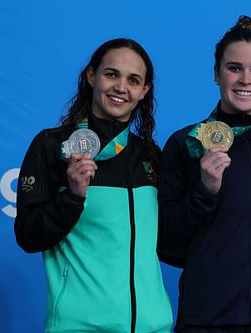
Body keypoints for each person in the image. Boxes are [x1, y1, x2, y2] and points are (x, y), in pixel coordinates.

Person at [14, 38, 173, 333]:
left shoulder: (150, 156)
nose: (121, 87)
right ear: (91, 76)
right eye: (111, 74)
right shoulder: (52, 147)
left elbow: (170, 243)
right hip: (80, 327)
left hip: (154, 327)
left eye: (133, 80)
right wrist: (72, 197)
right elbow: (27, 235)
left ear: (144, 91)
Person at [158, 16, 251, 333]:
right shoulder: (186, 143)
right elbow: (165, 237)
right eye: (234, 68)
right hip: (206, 319)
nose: (245, 80)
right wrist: (205, 192)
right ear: (216, 73)